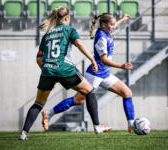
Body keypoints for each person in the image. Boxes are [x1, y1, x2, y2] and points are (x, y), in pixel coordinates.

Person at [18, 6, 110, 140]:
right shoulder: (69, 30)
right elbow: (80, 44)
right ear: (67, 18)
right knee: (89, 91)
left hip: (47, 71)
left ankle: (23, 133)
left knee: (38, 103)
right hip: (65, 69)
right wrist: (92, 60)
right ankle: (96, 126)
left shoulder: (47, 34)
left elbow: (39, 59)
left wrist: (49, 73)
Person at [41, 13, 135, 133]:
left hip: (105, 74)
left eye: (113, 25)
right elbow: (104, 60)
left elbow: (114, 25)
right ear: (104, 25)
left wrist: (123, 19)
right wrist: (121, 66)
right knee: (79, 100)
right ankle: (49, 113)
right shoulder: (101, 37)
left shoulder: (106, 30)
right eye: (111, 25)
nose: (113, 27)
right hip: (94, 75)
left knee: (127, 93)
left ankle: (131, 125)